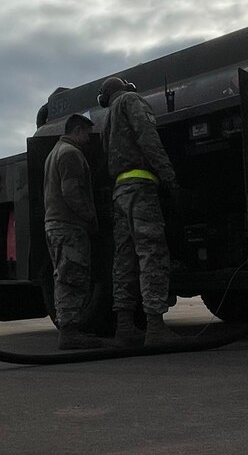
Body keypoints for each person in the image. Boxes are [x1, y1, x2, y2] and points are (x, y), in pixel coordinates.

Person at [99, 76, 178, 348]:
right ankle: (155, 327)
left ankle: (124, 326)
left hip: (120, 192)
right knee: (152, 253)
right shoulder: (131, 101)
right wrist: (169, 177)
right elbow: (148, 138)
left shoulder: (107, 117)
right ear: (127, 87)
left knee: (124, 260)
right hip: (140, 188)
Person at [44, 112, 104, 350]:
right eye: (87, 134)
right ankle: (70, 332)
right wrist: (89, 217)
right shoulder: (71, 154)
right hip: (69, 225)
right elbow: (71, 191)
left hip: (56, 224)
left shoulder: (54, 152)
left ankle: (69, 329)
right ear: (78, 130)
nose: (89, 139)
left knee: (63, 275)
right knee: (72, 277)